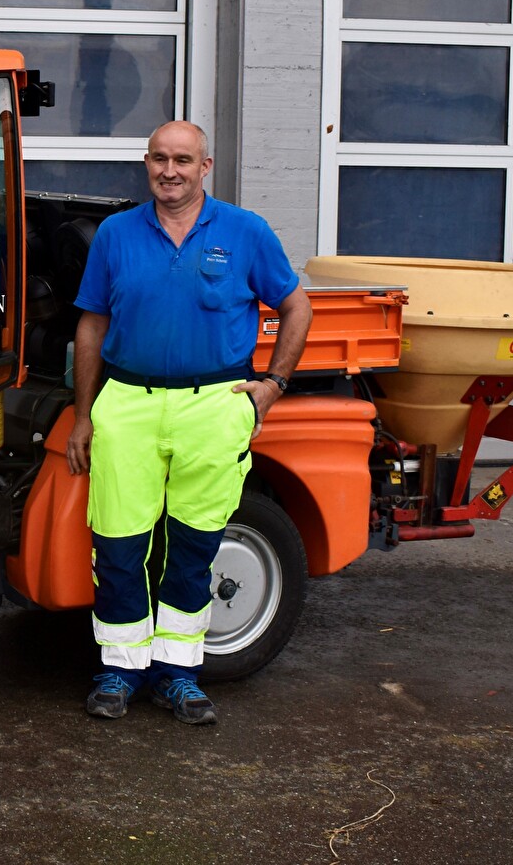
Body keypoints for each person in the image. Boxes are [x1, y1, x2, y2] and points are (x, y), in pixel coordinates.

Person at [65, 120, 312, 725]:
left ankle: (179, 674)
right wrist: (83, 414)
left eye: (182, 160)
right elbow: (92, 324)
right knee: (118, 543)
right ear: (146, 164)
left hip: (214, 403)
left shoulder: (246, 231)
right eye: (159, 159)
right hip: (128, 401)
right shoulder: (116, 234)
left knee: (195, 544)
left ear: (205, 167)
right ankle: (120, 670)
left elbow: (295, 304)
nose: (169, 171)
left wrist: (274, 385)